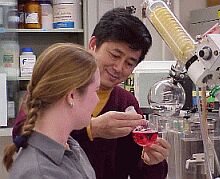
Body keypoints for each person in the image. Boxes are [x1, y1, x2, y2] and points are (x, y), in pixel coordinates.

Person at [12, 8, 171, 179]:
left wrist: (151, 162)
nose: (118, 68)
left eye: (129, 63)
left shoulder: (126, 103)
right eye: (115, 55)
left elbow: (134, 166)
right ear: (93, 45)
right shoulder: (56, 87)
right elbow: (24, 134)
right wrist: (91, 130)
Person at [3, 43, 101, 179]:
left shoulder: (69, 146)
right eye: (96, 90)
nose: (97, 100)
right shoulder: (40, 173)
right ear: (71, 96)